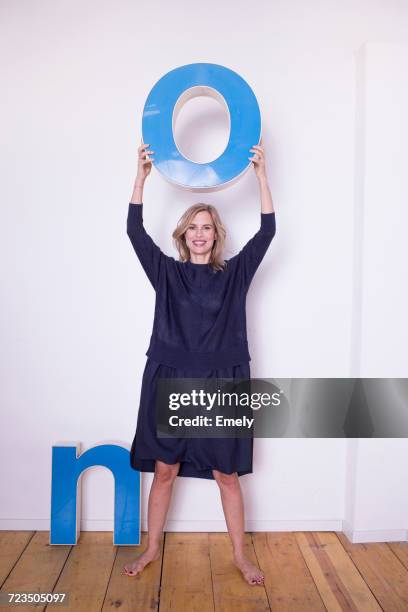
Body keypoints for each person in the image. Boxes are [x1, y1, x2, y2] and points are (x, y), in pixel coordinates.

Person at [123, 140, 276, 586]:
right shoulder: (167, 273)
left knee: (226, 474)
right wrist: (140, 179)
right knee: (165, 468)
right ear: (183, 235)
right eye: (193, 226)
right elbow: (134, 232)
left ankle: (241, 557)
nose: (199, 233)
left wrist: (263, 178)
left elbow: (267, 233)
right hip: (169, 376)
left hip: (222, 381)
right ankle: (152, 548)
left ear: (216, 234)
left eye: (206, 226)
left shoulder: (235, 275)